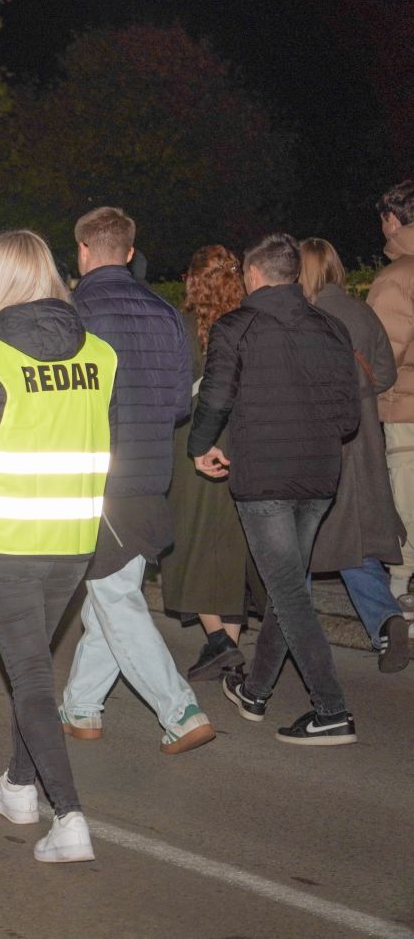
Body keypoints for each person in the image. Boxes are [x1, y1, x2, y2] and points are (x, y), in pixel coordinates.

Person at [0, 229, 118, 864]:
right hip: (73, 538)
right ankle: (17, 788)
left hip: (6, 537)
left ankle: (69, 817)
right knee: (29, 661)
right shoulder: (98, 352)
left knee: (32, 675)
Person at [55, 207, 212, 756]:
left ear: (81, 252)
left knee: (115, 597)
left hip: (97, 475)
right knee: (113, 591)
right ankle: (80, 706)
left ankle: (181, 711)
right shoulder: (166, 313)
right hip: (150, 474)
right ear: (129, 251)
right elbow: (176, 404)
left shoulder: (73, 312)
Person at [195, 234, 361, 746]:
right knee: (287, 582)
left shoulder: (236, 326)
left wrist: (200, 446)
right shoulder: (331, 327)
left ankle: (331, 709)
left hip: (265, 475)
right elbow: (349, 417)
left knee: (286, 589)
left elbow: (217, 396)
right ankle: (255, 691)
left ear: (253, 275)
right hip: (318, 475)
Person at [301, 238, 409, 672]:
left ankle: (297, 636)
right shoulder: (362, 311)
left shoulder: (308, 318)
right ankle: (386, 621)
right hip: (362, 442)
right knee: (354, 543)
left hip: (318, 444)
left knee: (299, 543)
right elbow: (384, 374)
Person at [158, 246, 258, 680]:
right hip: (240, 437)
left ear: (193, 282)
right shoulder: (252, 323)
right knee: (230, 548)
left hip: (192, 440)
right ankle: (229, 648)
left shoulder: (180, 327)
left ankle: (218, 641)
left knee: (189, 541)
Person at [366, 179, 414, 609]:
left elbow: (382, 359)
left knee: (405, 502)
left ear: (393, 221)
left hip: (405, 413)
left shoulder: (397, 278)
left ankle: (403, 596)